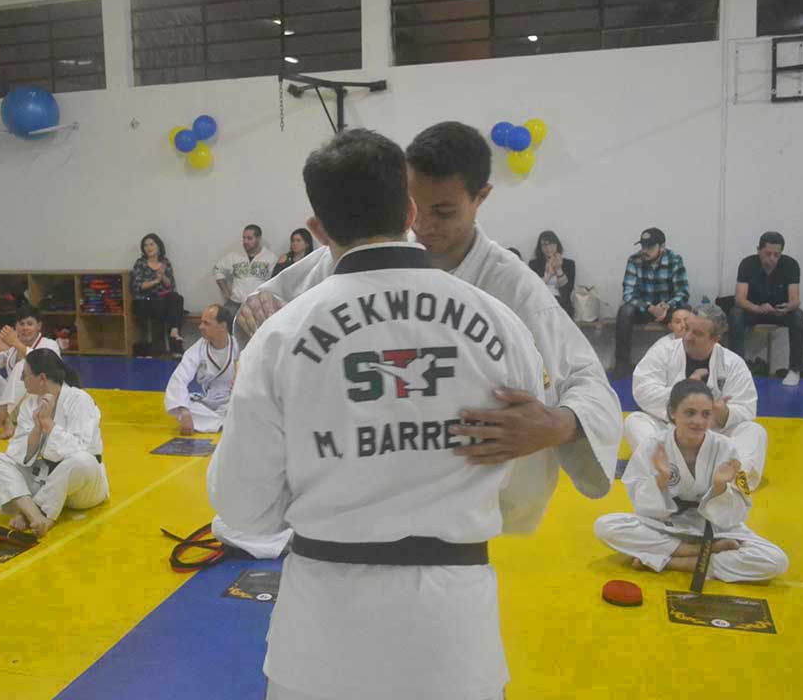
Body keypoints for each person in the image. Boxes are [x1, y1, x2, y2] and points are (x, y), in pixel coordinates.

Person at [210, 128, 547, 700]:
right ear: (410, 210)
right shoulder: (500, 323)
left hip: (323, 632)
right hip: (455, 629)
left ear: (318, 228)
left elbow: (243, 508)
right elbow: (521, 477)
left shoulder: (280, 338)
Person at [237, 121, 622, 526]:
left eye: (443, 211)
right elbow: (277, 298)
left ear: (481, 196)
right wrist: (257, 309)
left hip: (464, 498)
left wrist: (558, 425)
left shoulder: (510, 285)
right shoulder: (371, 247)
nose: (422, 224)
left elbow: (587, 379)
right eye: (414, 207)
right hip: (363, 478)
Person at [595, 380, 787, 582]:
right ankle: (699, 552)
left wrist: (720, 488)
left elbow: (740, 510)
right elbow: (642, 507)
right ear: (672, 413)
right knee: (606, 526)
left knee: (775, 560)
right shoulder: (653, 446)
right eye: (690, 413)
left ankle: (673, 562)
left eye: (706, 414)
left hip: (714, 527)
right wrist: (661, 480)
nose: (698, 421)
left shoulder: (728, 449)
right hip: (666, 525)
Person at [623, 302, 767, 491]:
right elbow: (642, 390)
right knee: (635, 421)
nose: (688, 336)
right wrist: (682, 393)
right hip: (673, 433)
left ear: (715, 338)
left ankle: (731, 485)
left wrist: (724, 413)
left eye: (697, 333)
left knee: (754, 432)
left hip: (713, 433)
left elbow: (747, 407)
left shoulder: (733, 363)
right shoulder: (663, 351)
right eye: (687, 329)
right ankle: (670, 476)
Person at [0, 349, 108, 538]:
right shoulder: (30, 404)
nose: (21, 379)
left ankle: (38, 512)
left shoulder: (79, 399)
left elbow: (79, 448)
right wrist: (37, 428)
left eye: (25, 375)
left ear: (41, 378)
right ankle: (34, 515)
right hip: (47, 481)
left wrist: (48, 423)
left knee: (82, 460)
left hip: (83, 488)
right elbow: (21, 455)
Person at [0, 305, 60, 443]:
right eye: (21, 324)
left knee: (23, 367)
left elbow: (44, 363)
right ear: (15, 327)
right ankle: (6, 422)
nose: (25, 328)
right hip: (11, 407)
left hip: (37, 406)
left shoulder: (50, 344)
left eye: (30, 324)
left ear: (39, 326)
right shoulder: (11, 346)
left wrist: (17, 344)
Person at [730, 231, 803, 387]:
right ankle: (737, 368)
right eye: (768, 254)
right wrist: (757, 308)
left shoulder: (791, 265)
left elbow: (795, 299)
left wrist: (788, 307)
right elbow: (739, 298)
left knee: (798, 316)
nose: (772, 258)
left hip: (779, 311)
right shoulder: (747, 264)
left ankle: (795, 369)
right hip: (753, 310)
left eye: (776, 255)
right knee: (735, 314)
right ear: (758, 250)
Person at [612, 227, 690, 378]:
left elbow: (683, 293)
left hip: (667, 310)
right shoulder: (634, 260)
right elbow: (628, 294)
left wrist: (667, 306)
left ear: (662, 247)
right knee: (625, 311)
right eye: (643, 246)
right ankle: (622, 364)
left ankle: (684, 363)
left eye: (650, 247)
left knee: (685, 312)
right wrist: (649, 307)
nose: (645, 250)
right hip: (643, 310)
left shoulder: (675, 260)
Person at [164, 304, 236, 434]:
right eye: (201, 322)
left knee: (252, 406)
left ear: (222, 326)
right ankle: (224, 422)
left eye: (206, 323)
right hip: (209, 402)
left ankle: (219, 421)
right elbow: (179, 378)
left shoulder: (239, 346)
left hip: (235, 400)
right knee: (186, 406)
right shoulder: (198, 348)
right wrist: (184, 412)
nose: (200, 327)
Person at [131, 233, 185, 354]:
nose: (148, 248)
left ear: (159, 246)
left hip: (162, 300)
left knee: (177, 298)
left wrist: (163, 276)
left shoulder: (165, 262)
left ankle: (174, 331)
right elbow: (138, 286)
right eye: (145, 245)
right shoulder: (140, 263)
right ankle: (174, 342)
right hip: (146, 301)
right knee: (174, 304)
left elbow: (170, 285)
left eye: (151, 244)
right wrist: (156, 281)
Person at [213, 225, 276, 316]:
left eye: (249, 238)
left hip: (259, 304)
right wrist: (226, 292)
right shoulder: (234, 256)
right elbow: (217, 269)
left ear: (258, 239)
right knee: (222, 319)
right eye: (244, 238)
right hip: (236, 303)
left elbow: (275, 281)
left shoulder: (270, 258)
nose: (245, 241)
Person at [528, 230, 576, 318]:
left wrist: (558, 268)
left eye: (552, 244)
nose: (548, 248)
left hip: (561, 303)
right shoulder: (534, 264)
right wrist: (549, 274)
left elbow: (567, 290)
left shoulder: (569, 264)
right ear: (540, 247)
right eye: (544, 245)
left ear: (557, 245)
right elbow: (534, 288)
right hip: (540, 301)